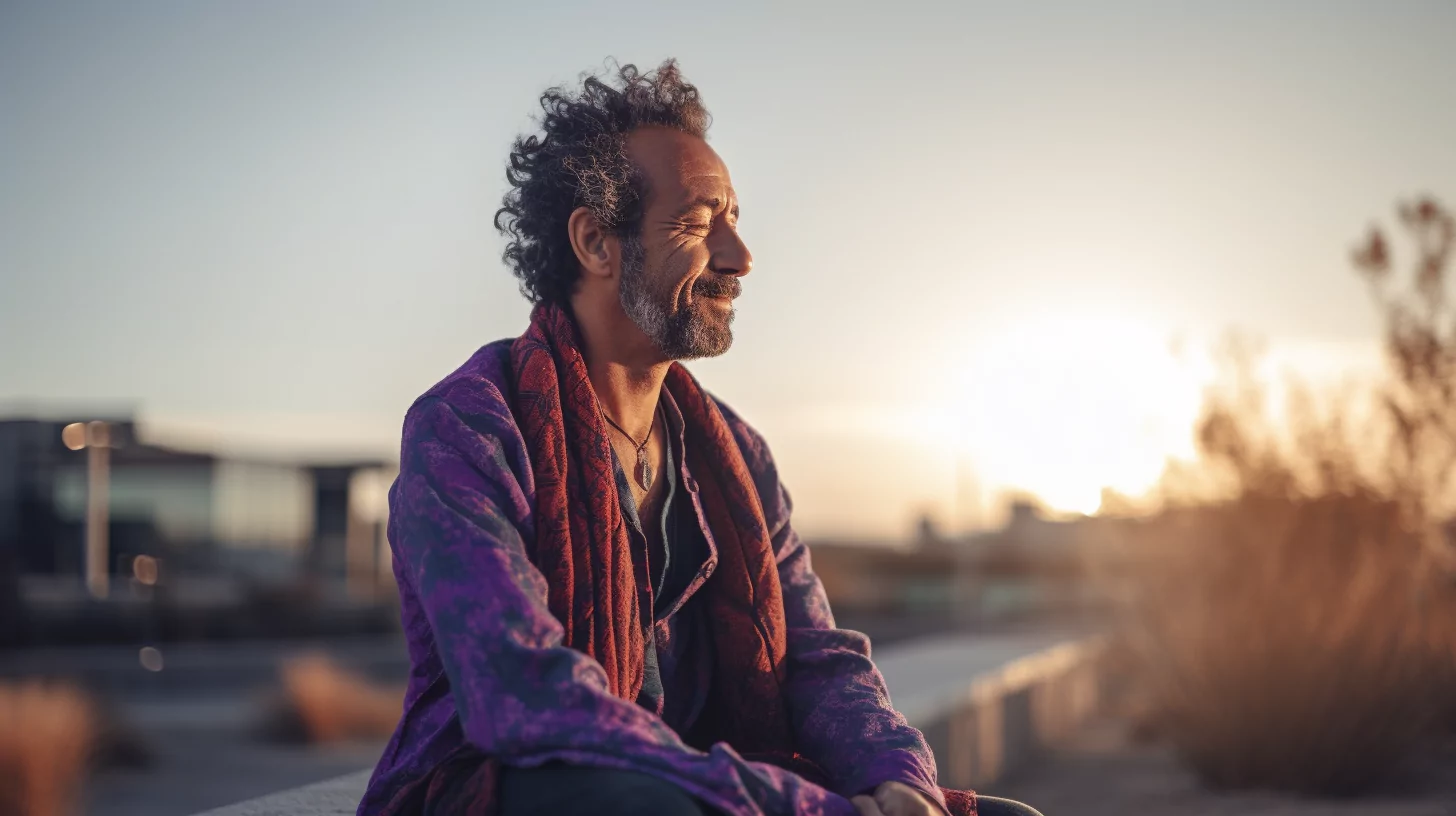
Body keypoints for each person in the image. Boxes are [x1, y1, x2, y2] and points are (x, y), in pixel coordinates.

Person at [357, 60, 1042, 816]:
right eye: (696, 222)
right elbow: (525, 698)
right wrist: (800, 808)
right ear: (595, 242)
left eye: (736, 219)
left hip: (717, 788)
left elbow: (813, 658)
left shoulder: (737, 454)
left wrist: (898, 777)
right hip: (517, 788)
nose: (739, 258)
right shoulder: (469, 427)